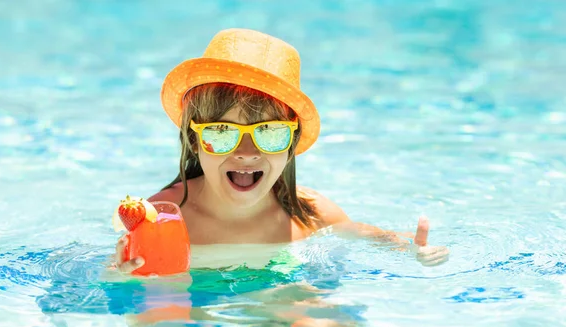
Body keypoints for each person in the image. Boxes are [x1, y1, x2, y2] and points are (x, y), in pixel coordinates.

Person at [114, 28, 449, 273]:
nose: (246, 152)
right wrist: (118, 275)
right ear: (193, 140)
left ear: (291, 144)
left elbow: (361, 233)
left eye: (270, 133)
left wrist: (411, 249)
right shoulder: (165, 218)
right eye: (222, 132)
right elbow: (130, 288)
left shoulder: (309, 216)